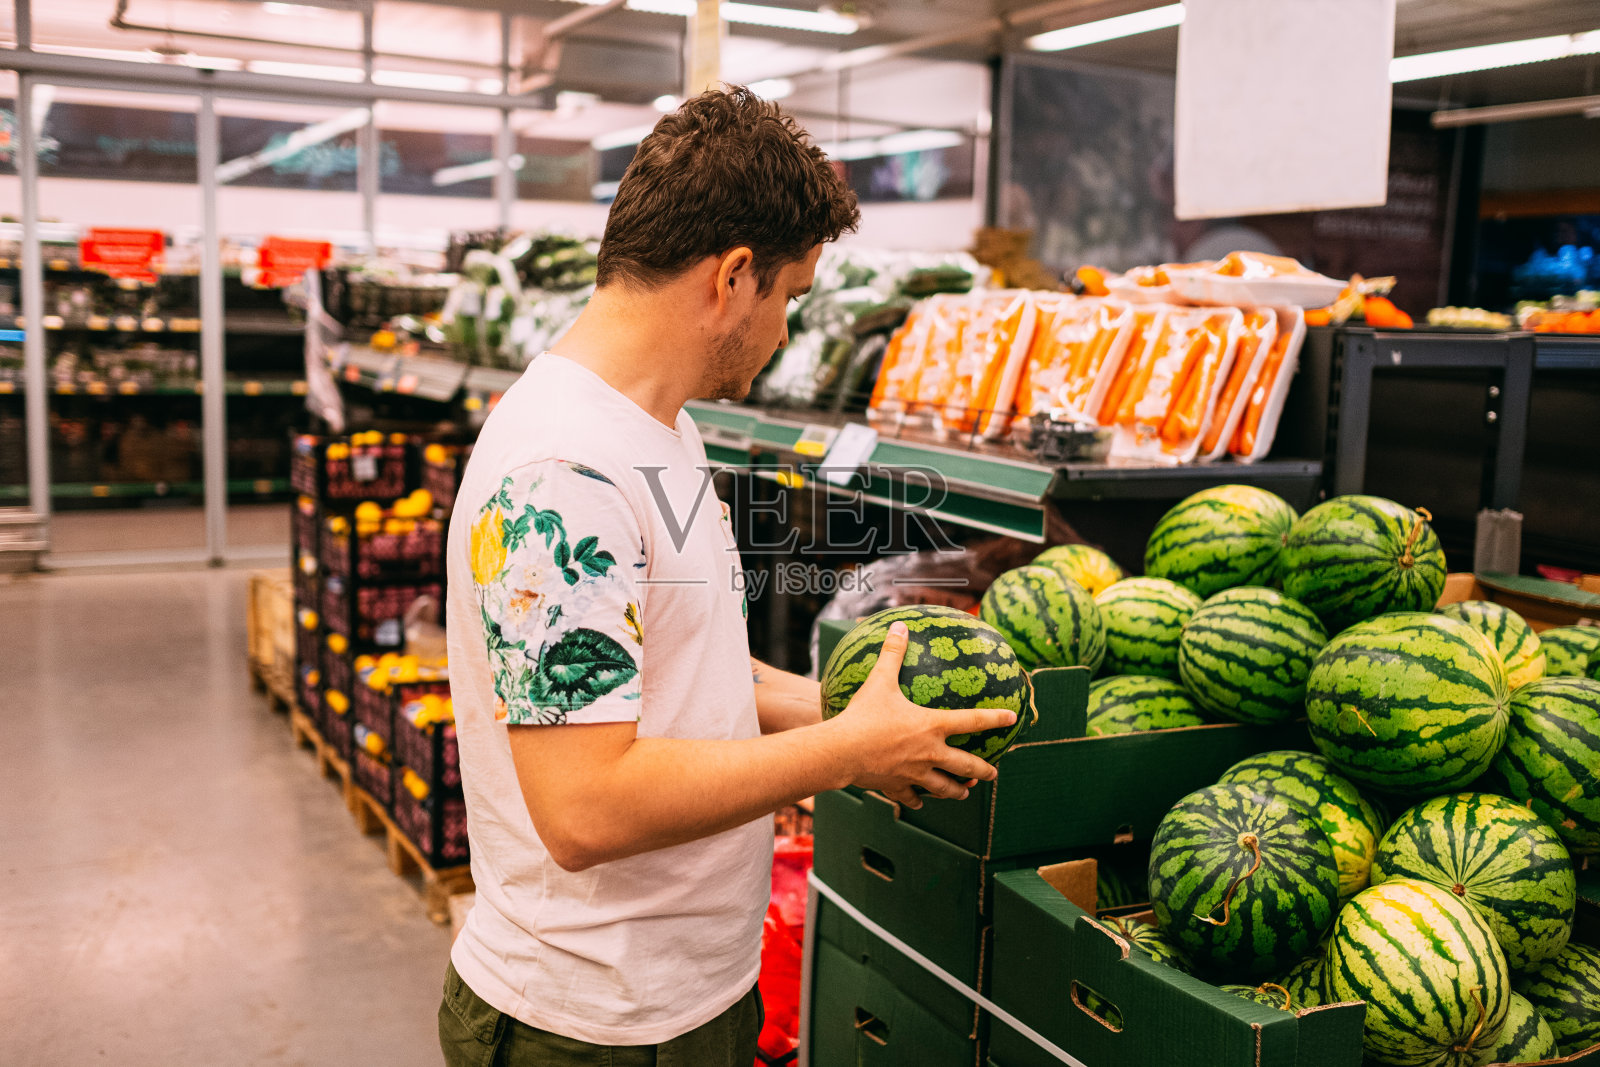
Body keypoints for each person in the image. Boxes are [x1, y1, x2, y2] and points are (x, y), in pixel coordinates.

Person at [439, 85, 1015, 1067]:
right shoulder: (561, 475)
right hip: (589, 1027)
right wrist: (843, 753)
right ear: (733, 275)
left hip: (686, 994)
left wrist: (869, 712)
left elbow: (701, 674)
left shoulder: (661, 424)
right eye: (789, 296)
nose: (789, 330)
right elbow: (586, 807)